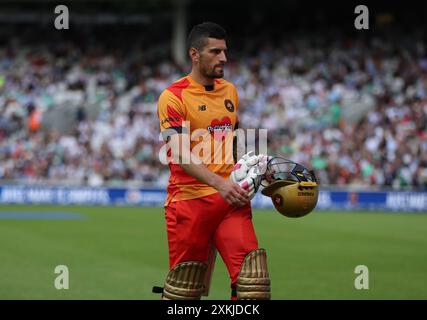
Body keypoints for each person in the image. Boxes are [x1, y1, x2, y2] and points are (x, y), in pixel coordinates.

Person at [156, 22, 270, 300]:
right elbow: (180, 154)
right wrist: (220, 184)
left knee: (253, 285)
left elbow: (233, 144)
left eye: (225, 51)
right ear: (195, 54)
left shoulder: (230, 91)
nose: (223, 58)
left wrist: (255, 171)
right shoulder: (172, 96)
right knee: (184, 294)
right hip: (189, 203)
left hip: (231, 201)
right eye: (215, 51)